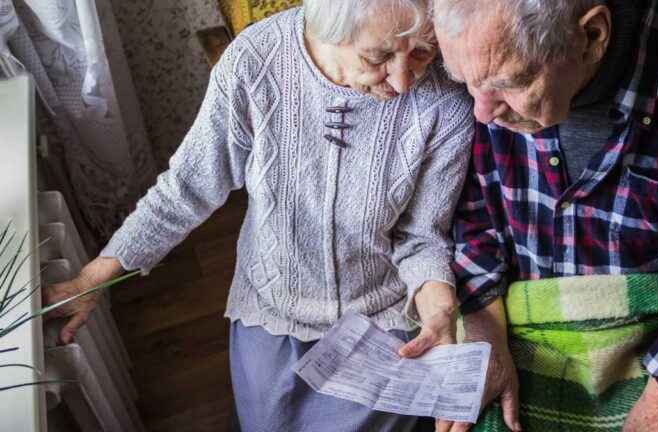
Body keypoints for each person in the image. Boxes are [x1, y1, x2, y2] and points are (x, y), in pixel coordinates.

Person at [44, 1, 475, 430]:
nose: (402, 81)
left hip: (382, 317)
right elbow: (188, 187)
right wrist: (92, 278)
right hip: (272, 308)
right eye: (377, 57)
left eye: (422, 51)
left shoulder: (447, 100)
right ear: (330, 28)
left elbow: (421, 236)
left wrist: (439, 314)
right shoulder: (255, 62)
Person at [433, 0, 658, 431]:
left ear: (591, 37)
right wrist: (483, 331)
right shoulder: (485, 69)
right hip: (512, 327)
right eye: (464, 82)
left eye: (509, 83)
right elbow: (474, 209)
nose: (481, 112)